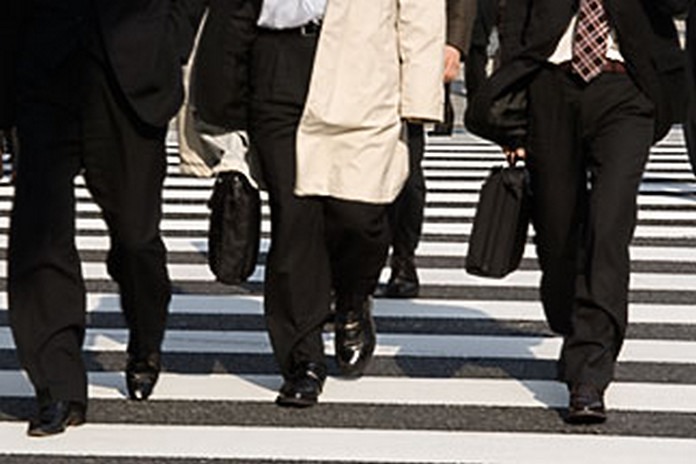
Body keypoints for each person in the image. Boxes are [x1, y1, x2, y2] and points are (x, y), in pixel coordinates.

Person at [478, 0, 688, 424]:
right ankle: (571, 318)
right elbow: (515, 14)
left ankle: (589, 374)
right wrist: (511, 111)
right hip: (551, 82)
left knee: (609, 224)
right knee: (558, 232)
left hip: (629, 87)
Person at [3, 0, 200, 436]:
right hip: (43, 66)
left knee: (135, 236)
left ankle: (146, 338)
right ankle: (58, 386)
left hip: (133, 73)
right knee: (39, 230)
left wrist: (172, 41)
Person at [380, 0, 477, 299]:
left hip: (413, 48)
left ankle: (403, 257)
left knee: (407, 166)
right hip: (351, 49)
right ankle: (345, 270)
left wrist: (454, 43)